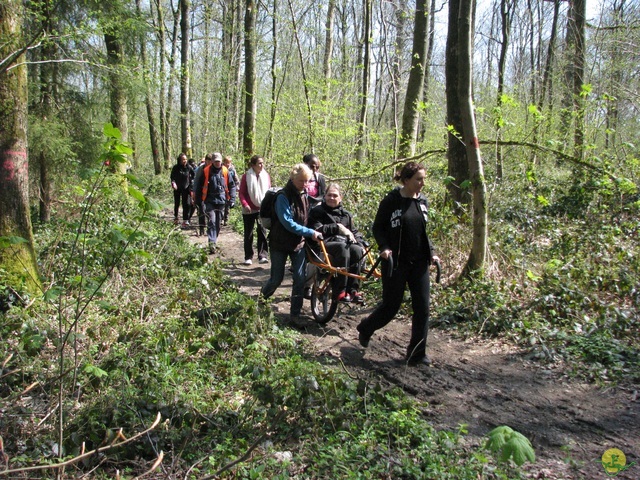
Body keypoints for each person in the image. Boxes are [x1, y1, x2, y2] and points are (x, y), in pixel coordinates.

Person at [356, 162, 440, 366]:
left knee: (423, 307)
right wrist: (384, 247)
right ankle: (366, 327)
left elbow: (423, 231)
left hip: (419, 262)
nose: (422, 183)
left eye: (423, 179)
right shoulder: (391, 201)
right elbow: (378, 227)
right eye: (418, 179)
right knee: (391, 306)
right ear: (406, 180)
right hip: (395, 262)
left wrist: (433, 253)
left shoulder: (423, 202)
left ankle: (417, 353)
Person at [260, 163, 323, 323]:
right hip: (279, 243)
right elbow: (287, 222)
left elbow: (308, 217)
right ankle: (260, 302)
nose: (305, 184)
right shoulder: (283, 196)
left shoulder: (305, 194)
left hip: (298, 244)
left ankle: (295, 315)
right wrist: (310, 233)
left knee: (300, 279)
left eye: (307, 181)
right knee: (276, 279)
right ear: (293, 178)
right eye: (301, 181)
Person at [308, 183, 365, 303]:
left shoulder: (346, 215)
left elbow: (354, 232)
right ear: (325, 196)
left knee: (356, 249)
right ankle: (340, 291)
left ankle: (353, 290)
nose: (332, 198)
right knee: (343, 248)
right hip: (324, 244)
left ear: (340, 197)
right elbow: (317, 229)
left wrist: (362, 243)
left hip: (343, 244)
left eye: (335, 195)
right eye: (329, 195)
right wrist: (337, 227)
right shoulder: (317, 211)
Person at [238, 155, 271, 265]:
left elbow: (269, 192)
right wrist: (245, 204)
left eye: (262, 163)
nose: (262, 165)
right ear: (253, 165)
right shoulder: (246, 176)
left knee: (262, 231)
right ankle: (248, 256)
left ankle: (263, 255)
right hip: (248, 210)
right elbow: (241, 193)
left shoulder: (266, 176)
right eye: (259, 163)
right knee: (249, 233)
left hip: (262, 209)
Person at [194, 152, 229, 253]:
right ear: (212, 161)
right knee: (212, 221)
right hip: (209, 200)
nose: (217, 163)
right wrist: (198, 199)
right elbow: (199, 186)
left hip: (221, 200)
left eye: (219, 161)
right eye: (216, 161)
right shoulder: (205, 171)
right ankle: (212, 243)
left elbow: (231, 185)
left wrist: (231, 199)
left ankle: (214, 239)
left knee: (218, 223)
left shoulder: (225, 171)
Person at [170, 153, 194, 227]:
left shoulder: (189, 167)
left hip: (186, 188)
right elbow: (172, 177)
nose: (185, 161)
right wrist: (173, 183)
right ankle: (176, 217)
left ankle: (185, 220)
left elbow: (193, 176)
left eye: (186, 159)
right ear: (179, 160)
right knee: (177, 203)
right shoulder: (175, 168)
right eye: (183, 159)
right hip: (177, 188)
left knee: (186, 204)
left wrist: (191, 184)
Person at [193, 155, 212, 236]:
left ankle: (210, 228)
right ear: (206, 161)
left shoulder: (213, 169)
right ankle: (201, 228)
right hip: (200, 193)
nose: (210, 163)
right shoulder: (200, 169)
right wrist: (194, 194)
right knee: (202, 210)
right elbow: (196, 181)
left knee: (209, 211)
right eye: (209, 161)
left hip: (210, 193)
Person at [223, 156, 239, 226]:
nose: (228, 164)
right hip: (222, 188)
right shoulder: (221, 169)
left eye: (229, 163)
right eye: (226, 162)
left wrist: (237, 185)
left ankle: (226, 219)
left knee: (227, 204)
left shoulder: (232, 169)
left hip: (230, 188)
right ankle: (221, 218)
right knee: (222, 203)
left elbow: (236, 178)